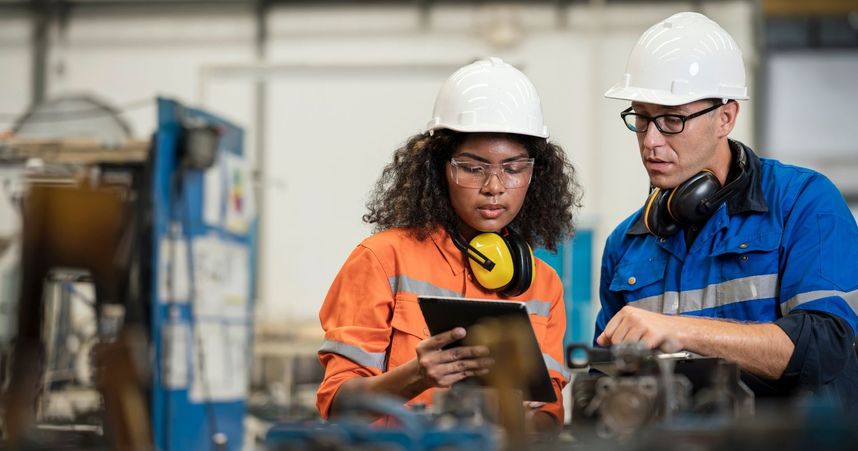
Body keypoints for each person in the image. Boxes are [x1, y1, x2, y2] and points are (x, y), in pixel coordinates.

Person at [596, 11, 858, 406]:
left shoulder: (803, 203)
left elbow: (823, 350)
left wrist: (681, 331)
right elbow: (607, 381)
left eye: (671, 120)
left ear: (726, 117)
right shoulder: (627, 243)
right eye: (642, 118)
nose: (650, 141)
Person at [315, 57, 582, 431]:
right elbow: (337, 404)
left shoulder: (543, 284)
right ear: (440, 168)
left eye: (513, 168)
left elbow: (551, 418)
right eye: (473, 167)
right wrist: (416, 375)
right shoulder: (382, 259)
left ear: (534, 174)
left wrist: (521, 420)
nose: (494, 186)